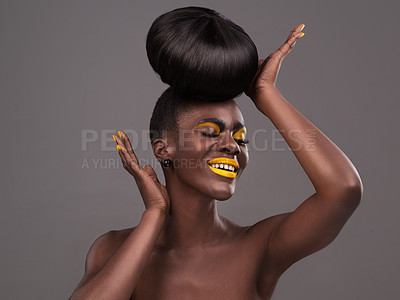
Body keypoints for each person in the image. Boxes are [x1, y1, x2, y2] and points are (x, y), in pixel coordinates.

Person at [69, 6, 363, 300]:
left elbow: (343, 190)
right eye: (210, 132)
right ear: (163, 149)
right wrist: (154, 215)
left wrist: (265, 93)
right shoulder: (112, 249)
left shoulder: (260, 247)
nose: (232, 145)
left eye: (241, 138)